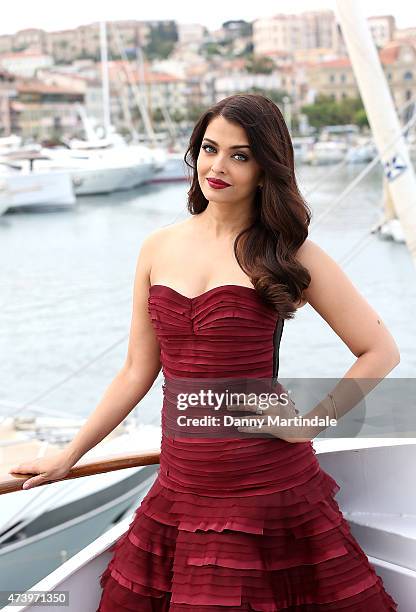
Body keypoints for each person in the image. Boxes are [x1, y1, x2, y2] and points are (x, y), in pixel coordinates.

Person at [9, 94, 400, 610]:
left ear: (266, 170)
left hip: (267, 487)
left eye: (240, 155)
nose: (217, 167)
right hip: (180, 487)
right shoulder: (158, 246)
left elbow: (379, 350)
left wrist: (310, 422)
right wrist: (70, 455)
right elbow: (135, 371)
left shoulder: (289, 253)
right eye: (210, 149)